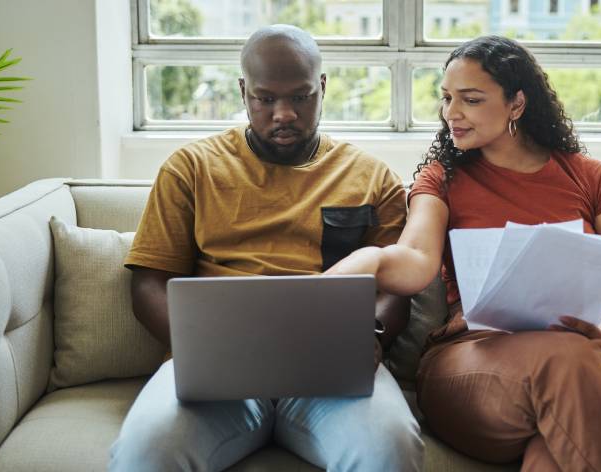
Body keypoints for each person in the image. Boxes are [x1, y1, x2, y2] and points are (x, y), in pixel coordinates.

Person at [326, 36, 601, 471]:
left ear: (517, 104)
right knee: (572, 364)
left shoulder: (592, 179)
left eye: (470, 100)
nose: (450, 113)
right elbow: (417, 258)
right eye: (446, 98)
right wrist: (370, 262)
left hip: (576, 366)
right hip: (471, 362)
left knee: (558, 438)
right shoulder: (442, 179)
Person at [109, 25, 424, 472]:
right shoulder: (191, 169)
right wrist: (211, 351)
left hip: (331, 376)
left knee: (389, 447)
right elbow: (148, 285)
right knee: (147, 450)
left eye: (300, 97)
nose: (284, 114)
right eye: (265, 98)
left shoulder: (372, 178)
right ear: (243, 91)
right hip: (217, 377)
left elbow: (396, 289)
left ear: (323, 88)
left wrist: (368, 335)